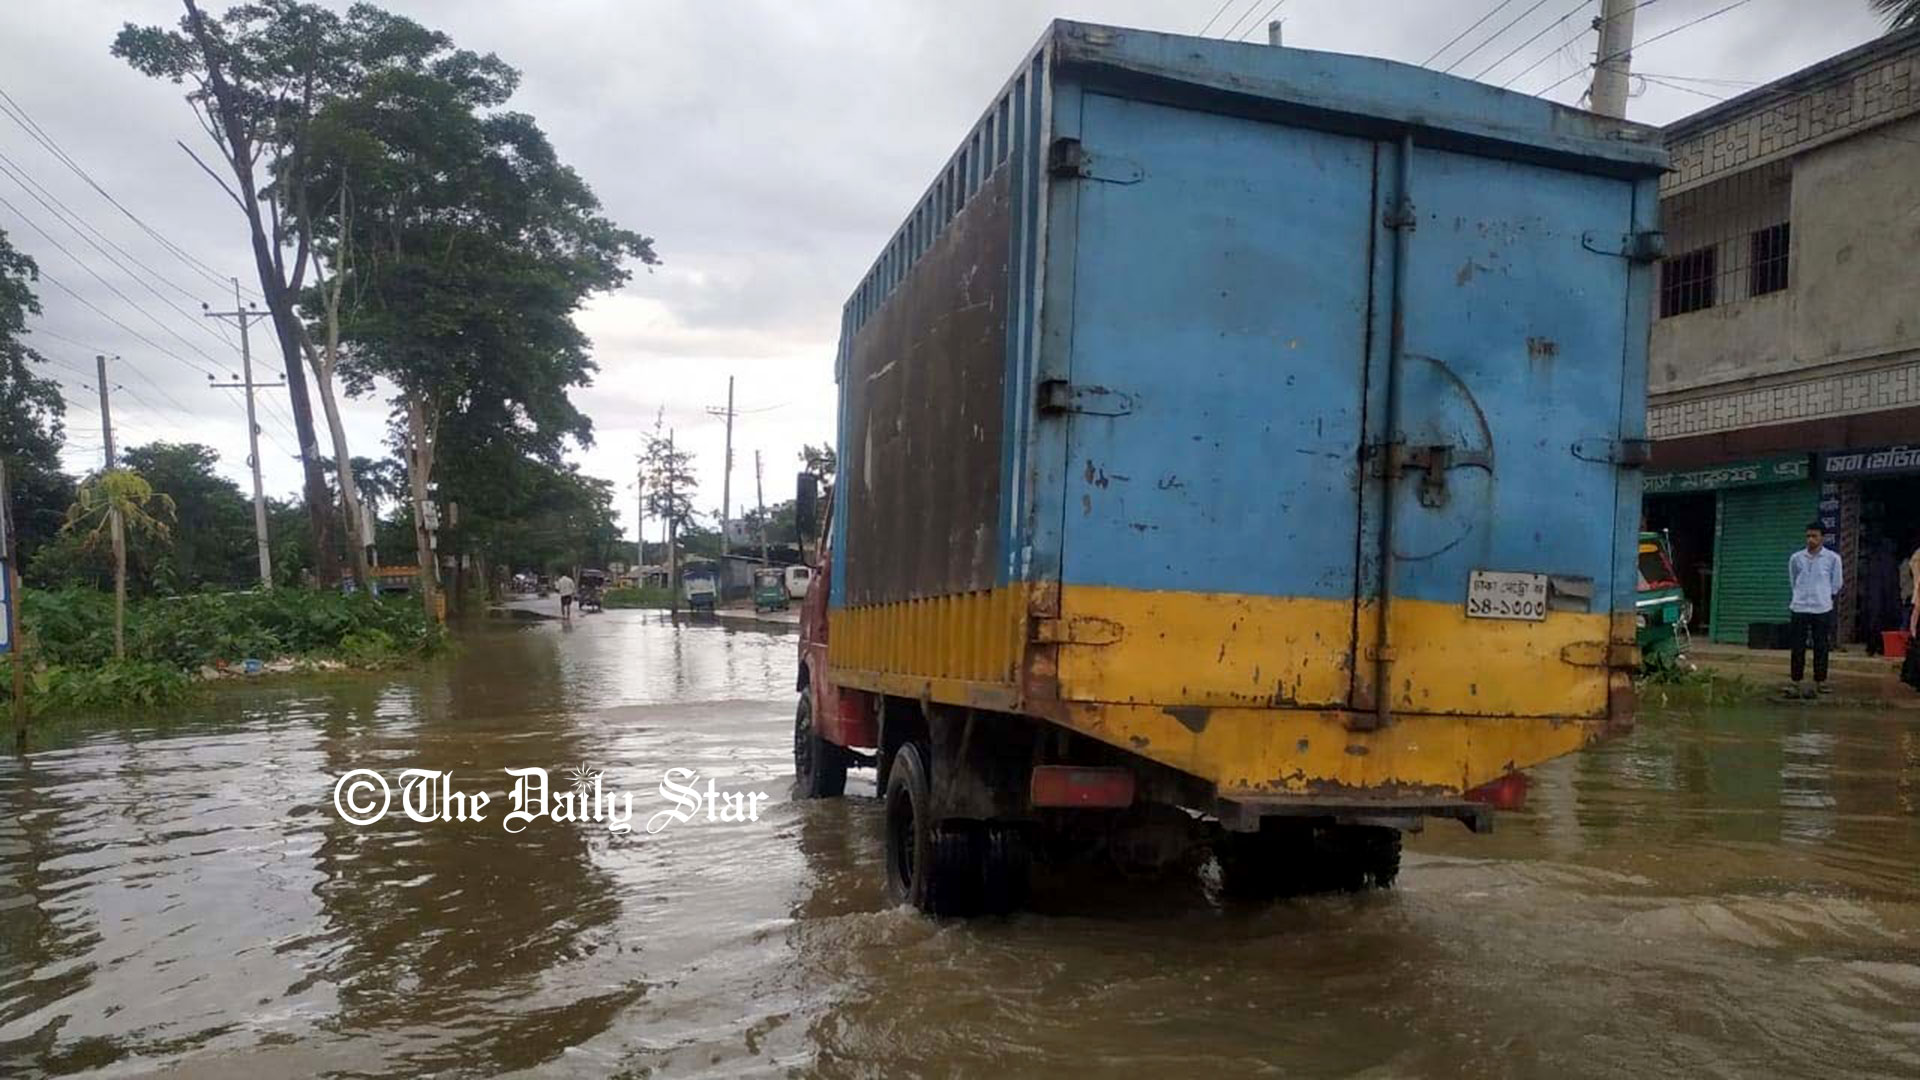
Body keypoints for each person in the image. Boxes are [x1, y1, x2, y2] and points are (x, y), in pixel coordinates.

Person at [1786, 521, 1843, 698]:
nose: (1810, 539)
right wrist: (1800, 595)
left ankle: (1821, 681)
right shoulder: (1796, 558)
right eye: (1808, 536)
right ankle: (1795, 681)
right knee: (1797, 646)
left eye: (1814, 536)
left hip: (1822, 607)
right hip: (1800, 606)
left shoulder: (1833, 558)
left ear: (1822, 538)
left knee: (1821, 645)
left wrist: (1824, 596)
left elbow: (1836, 583)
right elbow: (1793, 580)